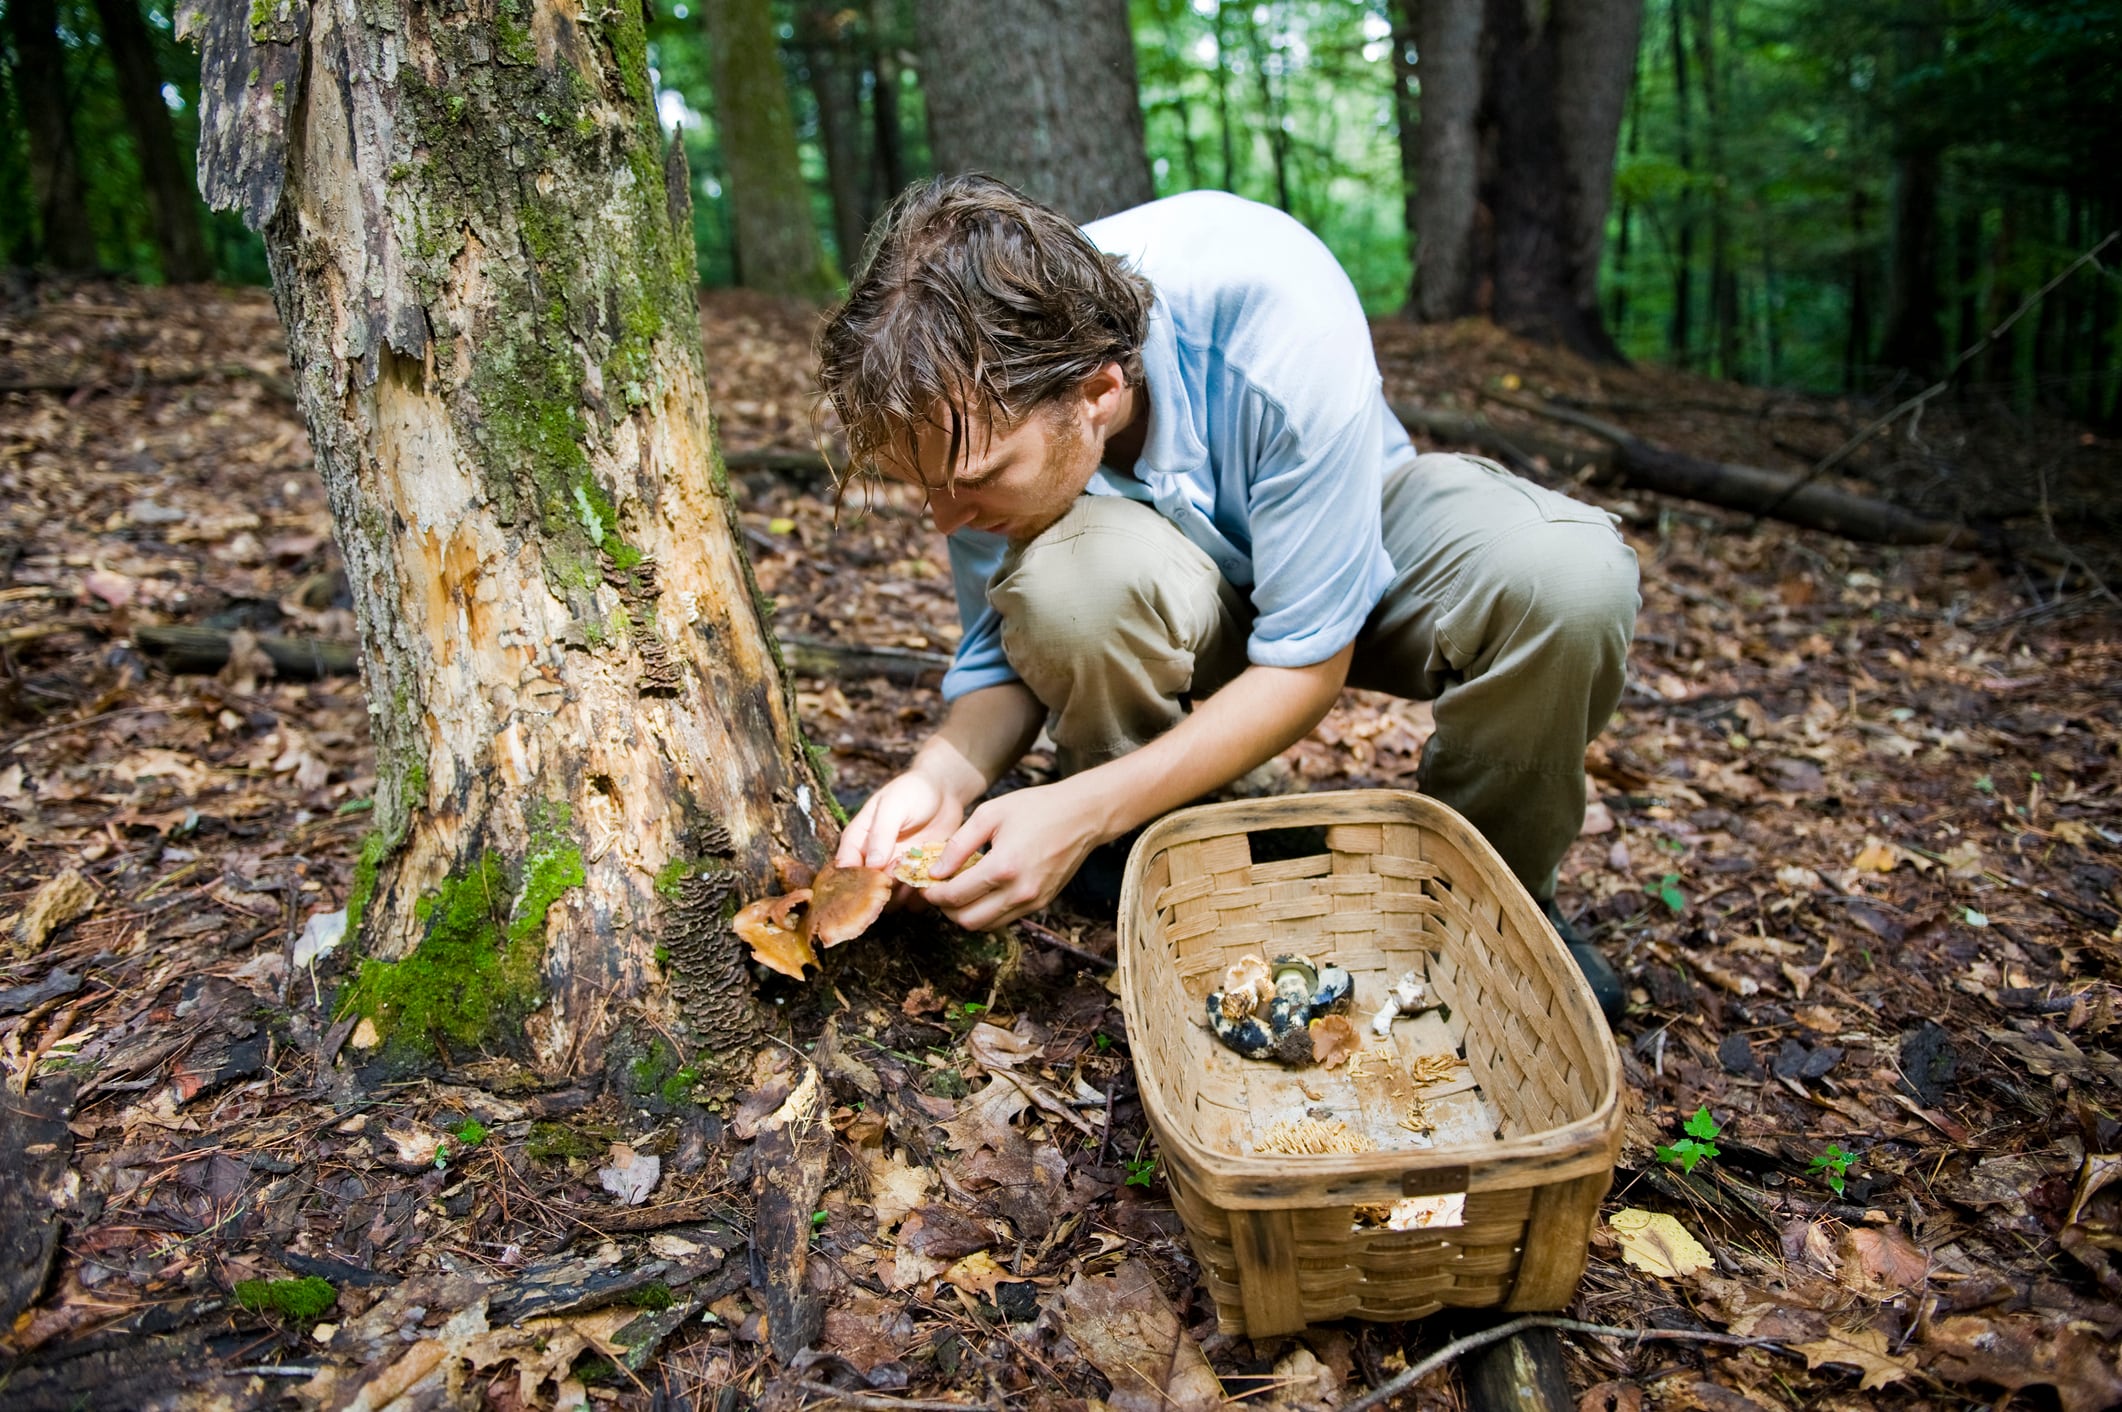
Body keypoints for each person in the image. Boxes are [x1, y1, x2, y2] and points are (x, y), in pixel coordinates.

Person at [818, 175, 1639, 1019]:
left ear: (1098, 393)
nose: (945, 517)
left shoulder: (1274, 311)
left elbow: (1306, 666)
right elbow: (1002, 657)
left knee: (1569, 578)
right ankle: (1145, 853)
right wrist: (939, 781)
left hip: (1357, 535)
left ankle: (1493, 900)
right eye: (925, 488)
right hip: (1162, 585)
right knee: (1070, 583)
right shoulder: (963, 389)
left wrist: (1080, 808)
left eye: (976, 480)